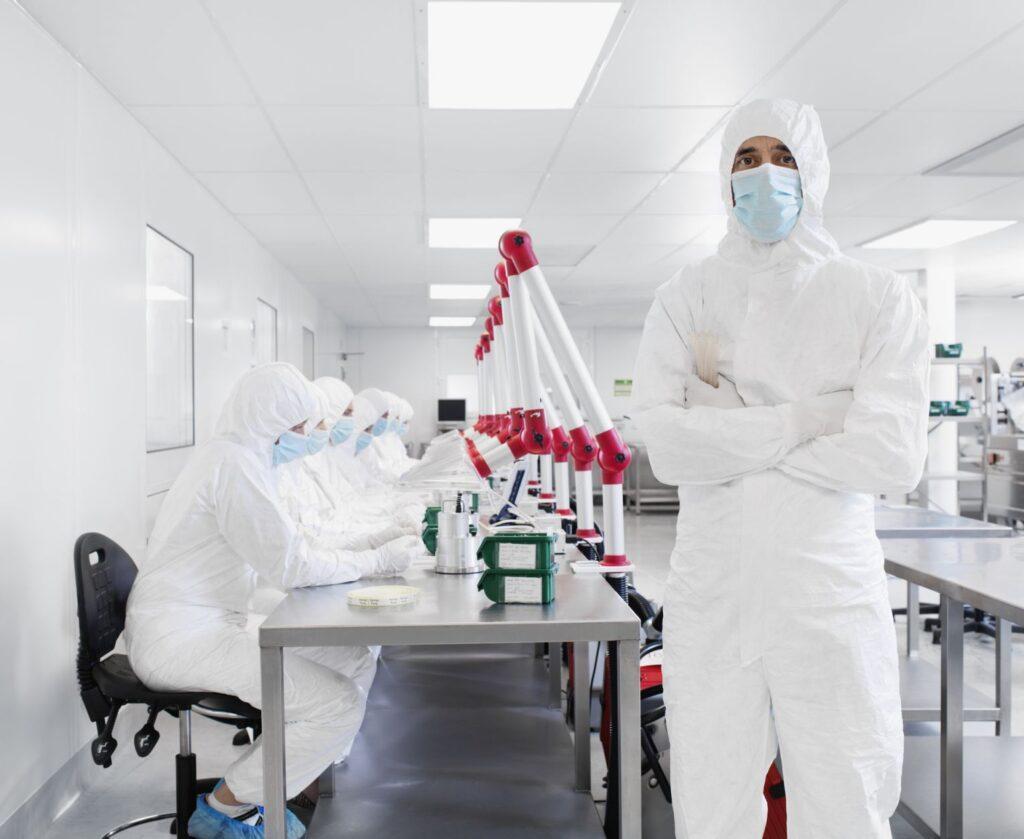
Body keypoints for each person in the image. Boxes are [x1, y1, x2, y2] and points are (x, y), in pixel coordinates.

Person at [631, 98, 929, 839]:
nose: (765, 175)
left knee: (847, 799)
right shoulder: (687, 294)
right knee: (710, 801)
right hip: (714, 594)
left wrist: (728, 427)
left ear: (815, 170)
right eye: (745, 159)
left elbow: (891, 453)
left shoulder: (875, 295)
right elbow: (668, 448)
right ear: (724, 180)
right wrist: (806, 418)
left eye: (783, 157)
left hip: (826, 591)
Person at [125, 363, 424, 839]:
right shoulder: (235, 466)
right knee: (339, 704)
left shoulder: (238, 458)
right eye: (301, 426)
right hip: (182, 639)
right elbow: (291, 566)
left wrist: (373, 551)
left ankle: (284, 780)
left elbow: (293, 549)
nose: (310, 435)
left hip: (205, 623)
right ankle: (223, 808)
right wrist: (377, 560)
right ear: (270, 421)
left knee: (350, 655)